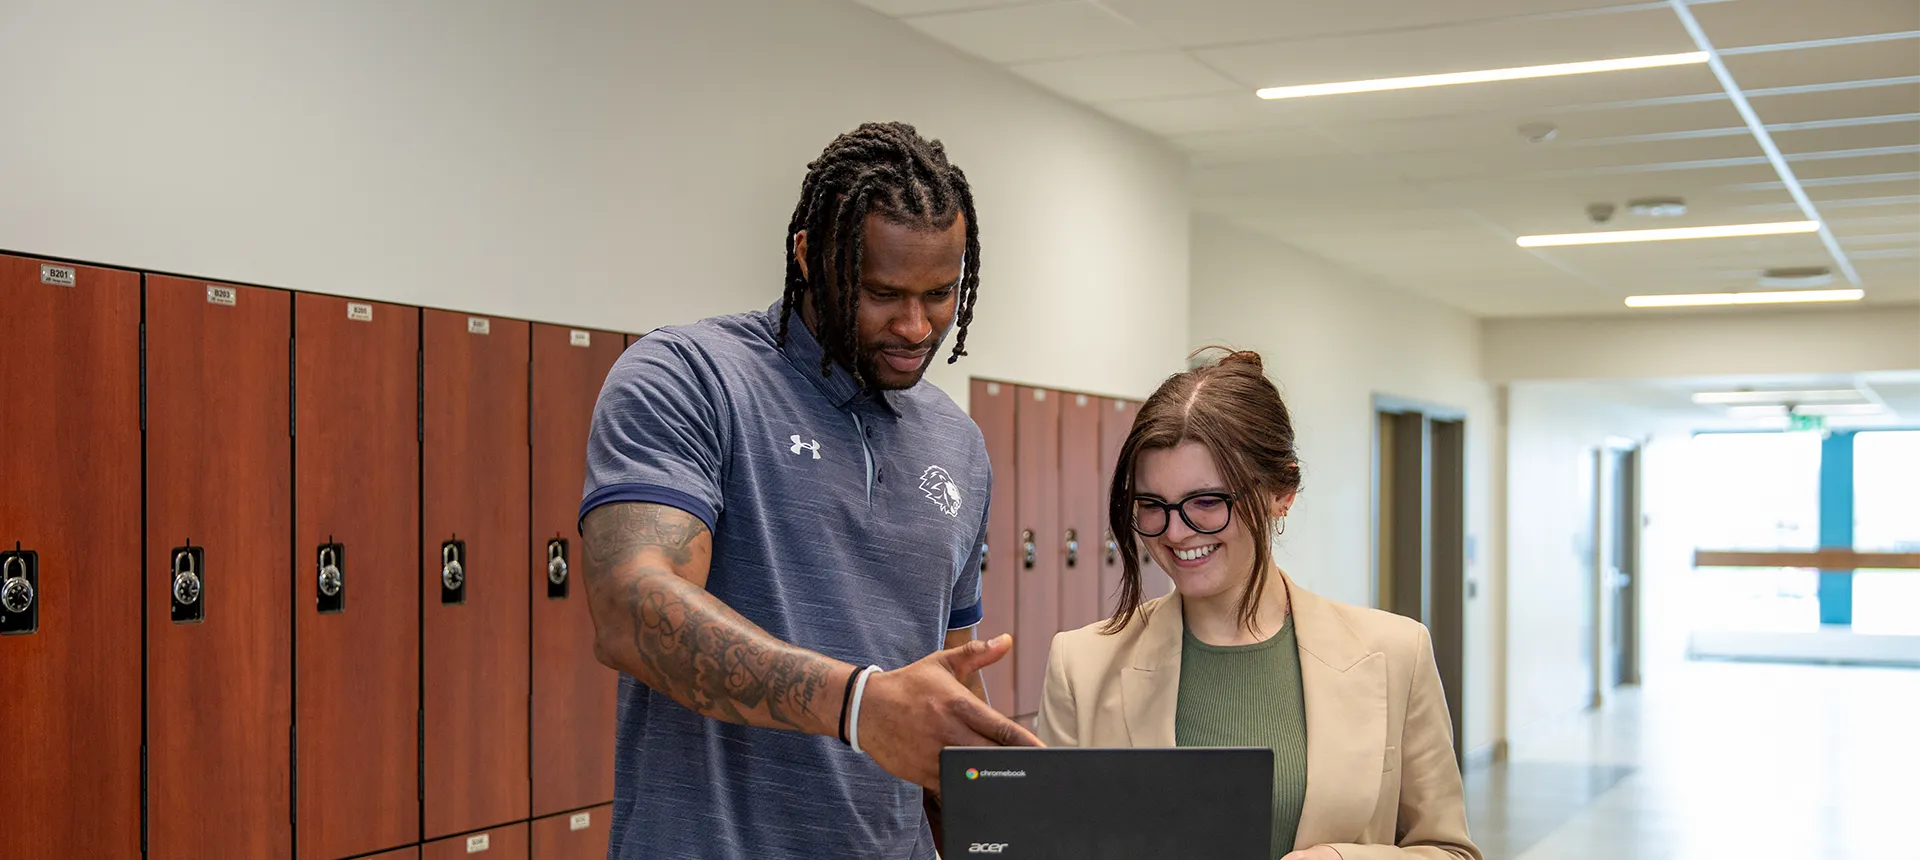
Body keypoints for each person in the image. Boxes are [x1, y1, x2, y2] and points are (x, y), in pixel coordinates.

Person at [578, 121, 1040, 860]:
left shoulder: (958, 445)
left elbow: (943, 703)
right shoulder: (689, 378)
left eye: (940, 294)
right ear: (807, 254)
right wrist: (861, 706)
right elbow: (631, 607)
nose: (915, 326)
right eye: (882, 292)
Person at [1035, 349, 1480, 860]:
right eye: (1152, 506)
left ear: (1281, 490)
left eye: (1207, 502)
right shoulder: (1082, 666)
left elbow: (1450, 851)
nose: (1176, 533)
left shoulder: (1396, 654)